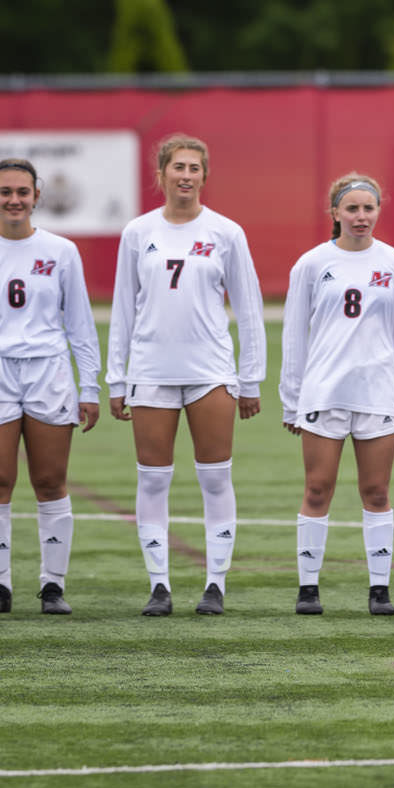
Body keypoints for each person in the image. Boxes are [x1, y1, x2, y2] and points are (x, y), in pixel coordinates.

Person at [107, 133, 266, 618]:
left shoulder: (226, 232)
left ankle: (215, 583)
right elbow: (122, 311)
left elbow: (249, 307)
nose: (185, 176)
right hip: (152, 372)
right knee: (153, 480)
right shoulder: (138, 232)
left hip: (210, 372)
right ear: (161, 174)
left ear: (204, 175)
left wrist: (250, 377)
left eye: (194, 168)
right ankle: (159, 585)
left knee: (215, 478)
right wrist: (118, 378)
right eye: (177, 167)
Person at [0, 159, 102, 616]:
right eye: (6, 191)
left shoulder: (61, 251)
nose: (15, 200)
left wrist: (87, 386)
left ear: (38, 196)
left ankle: (52, 586)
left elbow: (80, 326)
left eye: (23, 192)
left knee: (50, 481)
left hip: (48, 372)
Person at [279, 174, 394, 617]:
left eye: (368, 208)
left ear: (378, 211)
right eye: (352, 209)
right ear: (335, 212)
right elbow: (295, 334)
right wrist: (292, 398)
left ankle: (379, 589)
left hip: (376, 394)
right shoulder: (313, 264)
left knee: (376, 491)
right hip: (324, 392)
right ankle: (308, 588)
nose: (361, 216)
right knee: (317, 489)